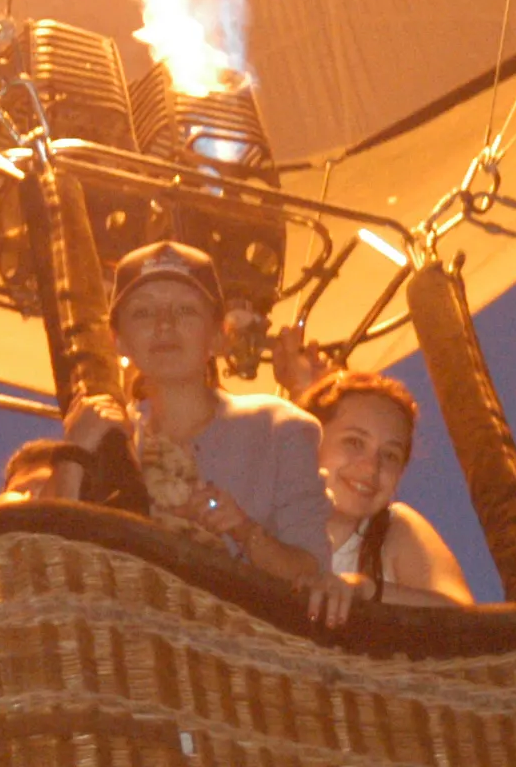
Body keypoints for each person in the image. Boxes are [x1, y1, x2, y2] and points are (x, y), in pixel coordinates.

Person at [62, 242, 342, 616]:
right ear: (119, 340)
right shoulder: (105, 435)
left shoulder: (281, 428)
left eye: (185, 310)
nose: (165, 324)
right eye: (144, 313)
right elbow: (48, 557)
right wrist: (72, 454)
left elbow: (313, 572)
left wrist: (243, 530)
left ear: (218, 335)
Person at [300, 368, 475, 608]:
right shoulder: (262, 524)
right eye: (354, 442)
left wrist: (365, 589)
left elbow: (460, 611)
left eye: (390, 455)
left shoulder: (394, 528)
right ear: (308, 442)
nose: (372, 468)